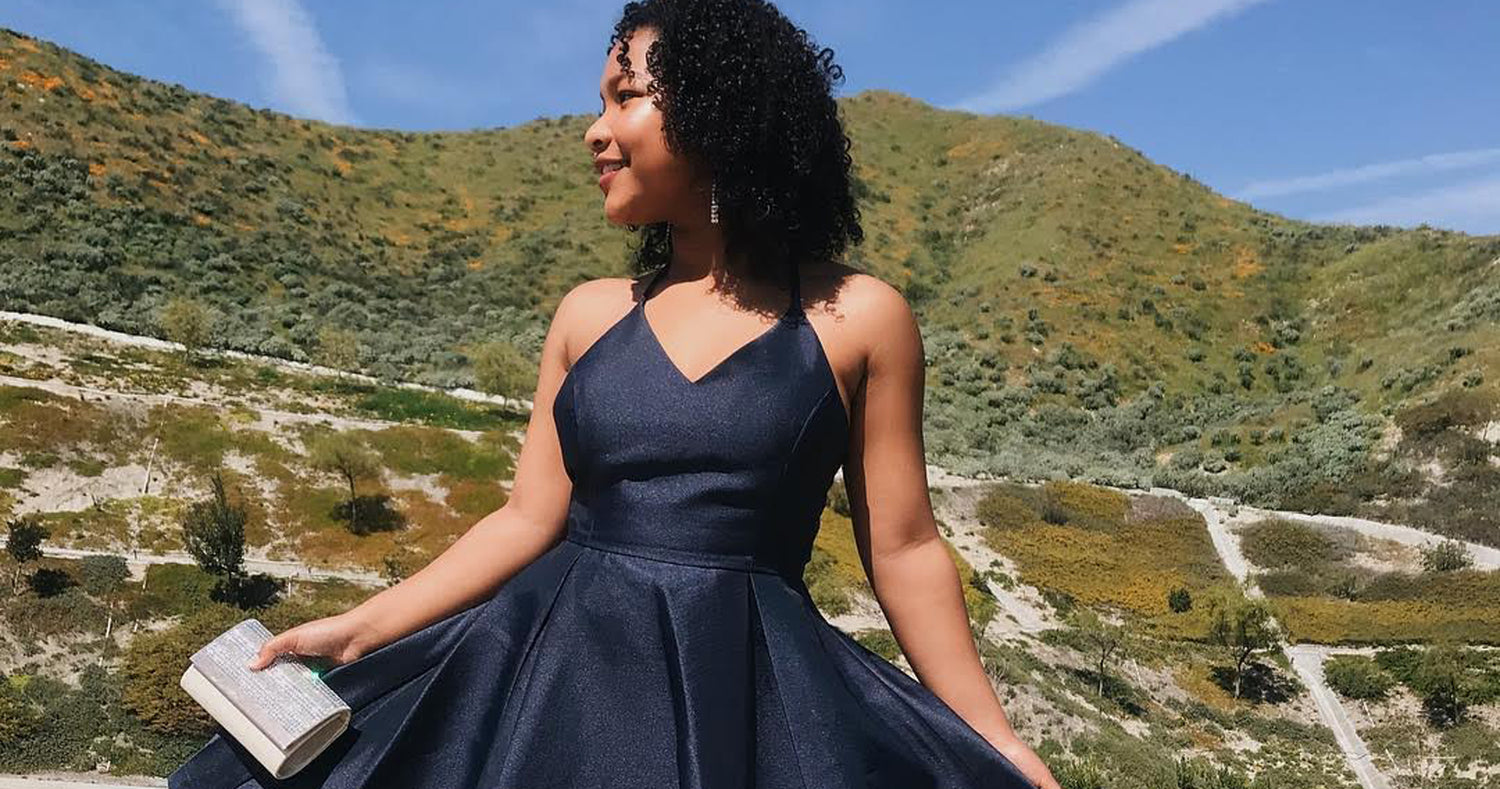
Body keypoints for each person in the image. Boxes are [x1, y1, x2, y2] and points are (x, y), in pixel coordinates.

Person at [168, 1, 1057, 787]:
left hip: (746, 688)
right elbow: (525, 518)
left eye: (625, 98)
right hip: (550, 677)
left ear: (719, 115)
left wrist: (994, 738)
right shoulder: (587, 316)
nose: (594, 130)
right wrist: (362, 630)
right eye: (601, 100)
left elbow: (902, 547)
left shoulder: (862, 317)